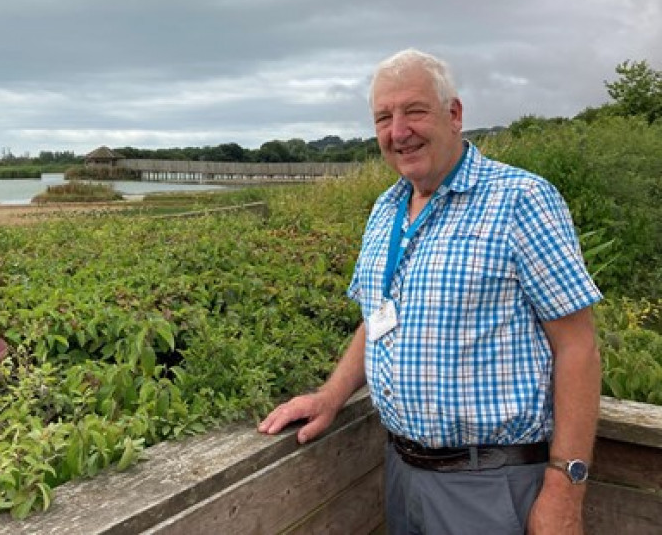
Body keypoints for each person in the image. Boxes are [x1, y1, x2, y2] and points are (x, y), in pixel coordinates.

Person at [258, 49, 602, 535]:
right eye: (384, 117)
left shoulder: (520, 200)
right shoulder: (385, 209)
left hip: (493, 485)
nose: (399, 131)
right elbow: (378, 318)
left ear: (454, 114)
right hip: (404, 476)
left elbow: (578, 348)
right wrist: (331, 395)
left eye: (414, 111)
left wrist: (565, 489)